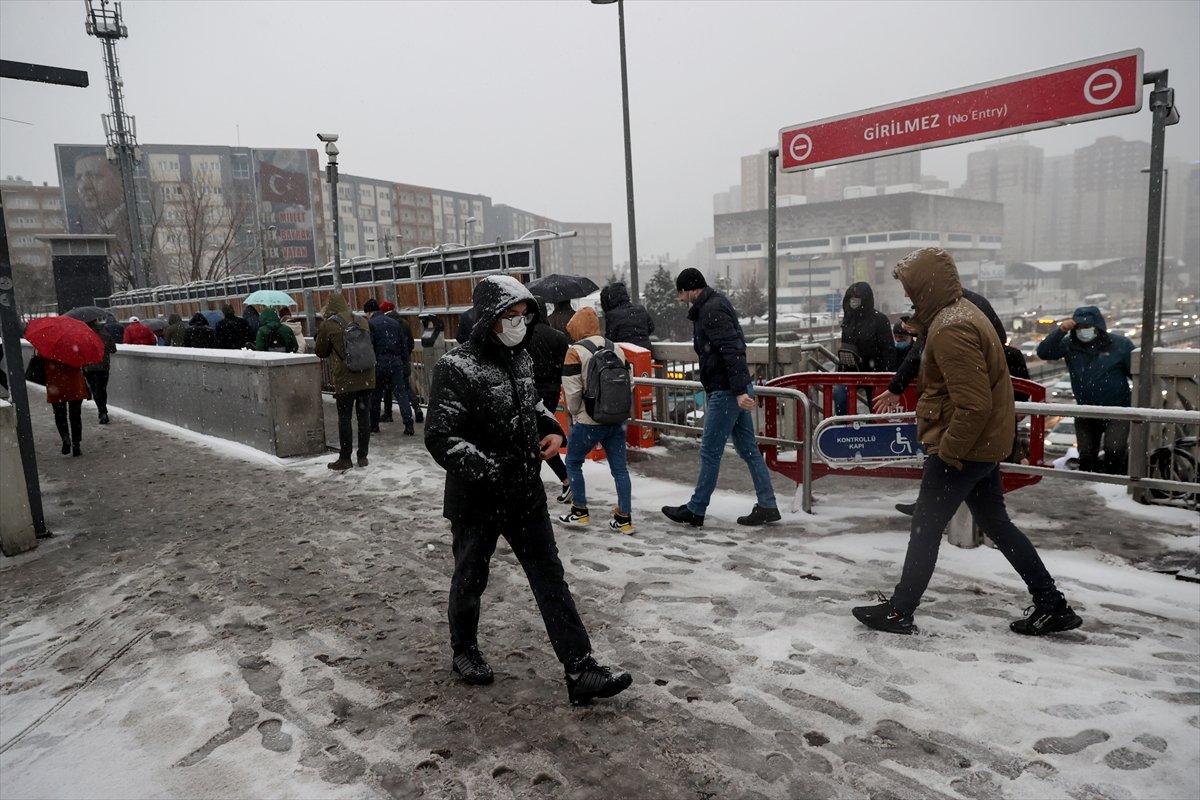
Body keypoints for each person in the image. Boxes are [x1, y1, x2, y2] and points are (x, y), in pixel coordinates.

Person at [424, 275, 632, 705]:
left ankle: (580, 668)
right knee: (470, 578)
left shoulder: (520, 359)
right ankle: (464, 649)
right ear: (489, 317)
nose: (518, 324)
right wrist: (488, 470)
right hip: (477, 499)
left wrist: (552, 429)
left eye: (523, 316)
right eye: (510, 316)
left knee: (549, 578)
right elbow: (441, 436)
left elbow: (532, 405)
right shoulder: (455, 367)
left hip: (525, 494)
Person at [851, 247, 1080, 637]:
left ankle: (900, 610)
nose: (906, 294)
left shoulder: (951, 328)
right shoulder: (961, 314)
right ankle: (1051, 603)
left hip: (962, 448)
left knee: (925, 527)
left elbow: (973, 404)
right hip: (982, 445)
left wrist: (949, 453)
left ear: (927, 286)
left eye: (910, 287)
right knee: (997, 524)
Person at [661, 268, 780, 527]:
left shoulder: (711, 309)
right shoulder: (713, 305)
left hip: (726, 392)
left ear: (692, 289)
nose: (680, 298)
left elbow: (732, 350)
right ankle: (768, 504)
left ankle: (696, 509)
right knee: (748, 450)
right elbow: (732, 347)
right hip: (731, 389)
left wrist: (738, 392)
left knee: (710, 452)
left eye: (681, 293)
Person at [558, 307, 634, 534]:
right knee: (620, 470)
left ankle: (579, 511)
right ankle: (624, 518)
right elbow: (629, 383)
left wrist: (576, 412)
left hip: (588, 421)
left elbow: (572, 392)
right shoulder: (616, 348)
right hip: (615, 419)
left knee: (573, 462)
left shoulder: (575, 352)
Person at [1037, 306, 1134, 475]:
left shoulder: (1120, 345)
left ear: (1098, 327)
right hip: (1086, 410)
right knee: (1086, 454)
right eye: (1079, 327)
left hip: (1118, 410)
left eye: (1087, 326)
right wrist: (1061, 330)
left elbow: (1136, 374)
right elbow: (1044, 352)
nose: (1083, 331)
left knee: (1115, 450)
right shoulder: (1070, 344)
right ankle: (1090, 482)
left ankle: (1114, 484)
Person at [316, 294, 375, 470]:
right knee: (364, 417)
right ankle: (363, 456)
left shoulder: (329, 325)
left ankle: (345, 458)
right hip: (367, 375)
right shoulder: (362, 321)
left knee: (345, 419)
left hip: (345, 379)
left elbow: (321, 351)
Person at [524, 299, 572, 504]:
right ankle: (567, 479)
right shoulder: (558, 337)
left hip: (530, 391)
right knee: (544, 433)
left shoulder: (524, 336)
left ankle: (566, 479)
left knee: (537, 436)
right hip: (552, 390)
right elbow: (564, 366)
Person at [833, 282, 895, 414]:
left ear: (865, 300)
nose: (853, 302)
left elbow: (888, 351)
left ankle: (873, 425)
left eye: (857, 298)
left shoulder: (879, 320)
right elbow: (845, 344)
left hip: (875, 374)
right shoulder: (849, 320)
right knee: (840, 395)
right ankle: (844, 425)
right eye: (851, 298)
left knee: (877, 407)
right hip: (851, 371)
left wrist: (887, 378)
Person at [363, 299, 413, 435]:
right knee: (401, 394)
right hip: (396, 363)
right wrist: (404, 363)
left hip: (378, 364)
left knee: (376, 396)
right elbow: (403, 345)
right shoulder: (394, 323)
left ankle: (374, 425)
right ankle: (409, 424)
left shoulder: (370, 324)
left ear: (369, 312)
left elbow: (369, 347)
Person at [381, 300, 421, 425]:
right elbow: (410, 343)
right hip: (403, 361)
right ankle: (417, 409)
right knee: (405, 388)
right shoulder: (404, 323)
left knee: (387, 388)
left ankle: (388, 413)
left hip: (390, 362)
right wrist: (405, 355)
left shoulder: (385, 324)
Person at [45, 358, 87, 457]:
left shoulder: (49, 352)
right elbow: (84, 363)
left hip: (56, 385)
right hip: (74, 384)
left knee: (60, 415)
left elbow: (41, 362)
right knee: (75, 415)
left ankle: (65, 438)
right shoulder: (76, 351)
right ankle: (76, 445)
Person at [600, 282, 654, 350]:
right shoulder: (640, 309)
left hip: (626, 352)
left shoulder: (612, 315)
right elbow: (651, 327)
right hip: (645, 351)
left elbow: (610, 338)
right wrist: (639, 335)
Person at [83, 320, 116, 424]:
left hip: (89, 367)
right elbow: (113, 349)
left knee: (95, 390)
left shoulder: (83, 334)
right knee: (102, 389)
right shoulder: (105, 332)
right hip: (103, 367)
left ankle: (102, 411)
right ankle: (103, 411)